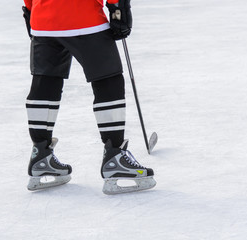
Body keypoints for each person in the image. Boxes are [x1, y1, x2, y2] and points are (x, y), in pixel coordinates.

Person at [22, 0, 156, 194]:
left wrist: (30, 9)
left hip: (43, 18)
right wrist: (118, 7)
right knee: (108, 80)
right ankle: (115, 157)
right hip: (83, 16)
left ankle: (40, 155)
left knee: (45, 82)